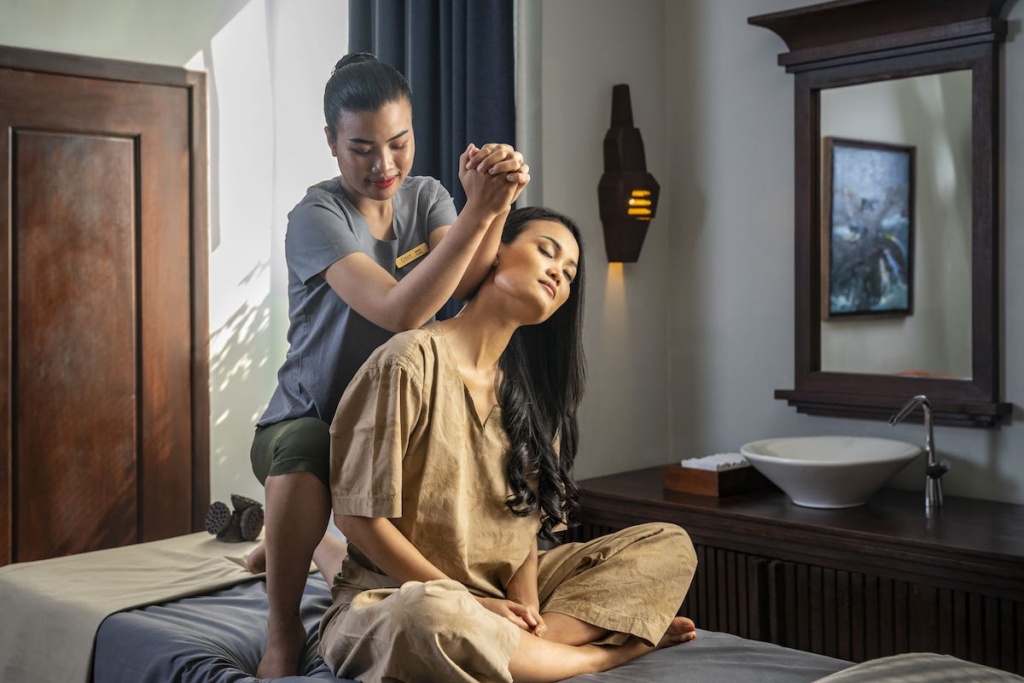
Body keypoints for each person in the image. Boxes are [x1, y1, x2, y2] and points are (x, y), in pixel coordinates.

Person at [318, 206, 698, 682]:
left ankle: (524, 650)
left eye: (569, 272)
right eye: (547, 252)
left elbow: (522, 534)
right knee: (426, 619)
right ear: (493, 253)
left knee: (669, 545)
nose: (559, 273)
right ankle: (599, 656)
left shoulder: (533, 397)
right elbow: (356, 516)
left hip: (495, 594)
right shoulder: (406, 362)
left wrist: (524, 610)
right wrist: (472, 604)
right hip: (396, 595)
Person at [247, 52, 530, 678]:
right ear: (330, 142)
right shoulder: (316, 218)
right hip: (309, 422)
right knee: (307, 452)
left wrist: (500, 198)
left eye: (398, 144)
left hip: (393, 425)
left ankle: (301, 542)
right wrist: (478, 211)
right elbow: (398, 311)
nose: (384, 166)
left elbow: (471, 281)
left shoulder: (426, 196)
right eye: (362, 149)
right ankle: (282, 626)